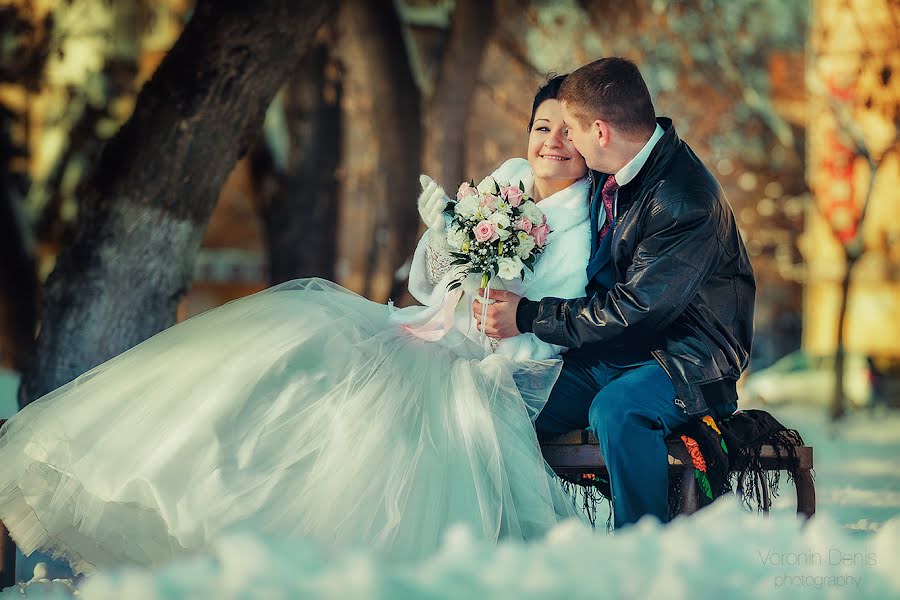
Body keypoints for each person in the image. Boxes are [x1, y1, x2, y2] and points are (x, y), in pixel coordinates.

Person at [0, 76, 594, 574]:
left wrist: (502, 310)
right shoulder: (507, 180)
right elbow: (426, 285)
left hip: (485, 363)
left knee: (368, 414)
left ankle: (288, 550)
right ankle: (195, 494)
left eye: (569, 130)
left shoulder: (580, 221)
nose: (553, 142)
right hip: (423, 328)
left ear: (590, 140)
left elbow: (545, 323)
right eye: (544, 127)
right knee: (301, 339)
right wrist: (446, 235)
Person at [474, 57, 756, 530]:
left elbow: (637, 309)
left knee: (617, 409)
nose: (567, 143)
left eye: (574, 132)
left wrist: (528, 316)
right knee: (504, 399)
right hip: (622, 350)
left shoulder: (683, 199)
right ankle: (513, 542)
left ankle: (639, 548)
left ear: (600, 133)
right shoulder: (622, 169)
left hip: (686, 359)